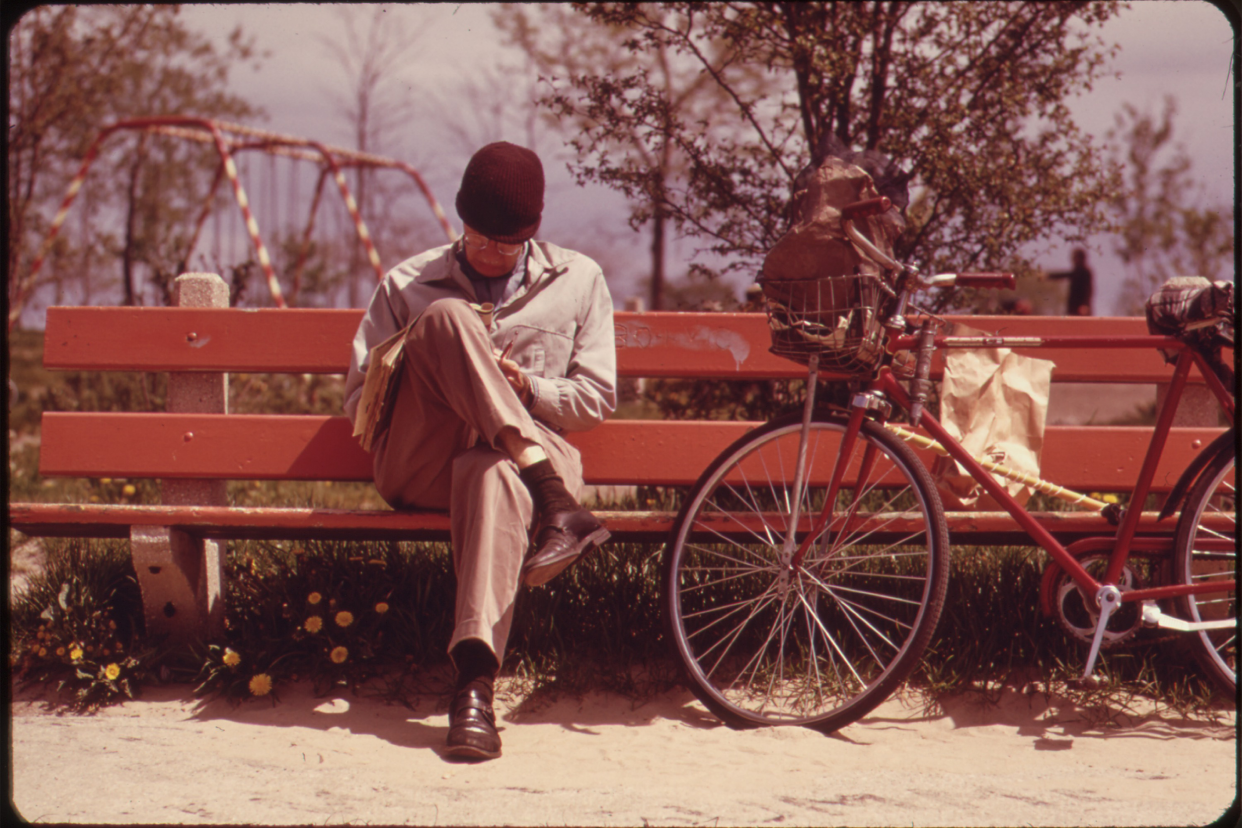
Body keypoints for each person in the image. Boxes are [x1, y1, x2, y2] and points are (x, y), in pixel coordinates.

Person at [343, 142, 617, 761]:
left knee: (492, 471)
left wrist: (525, 385)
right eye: (479, 238)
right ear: (458, 219)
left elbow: (596, 401)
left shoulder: (579, 280)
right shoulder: (407, 283)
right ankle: (555, 498)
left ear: (532, 233)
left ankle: (473, 685)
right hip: (425, 460)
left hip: (510, 473)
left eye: (507, 244)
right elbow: (359, 402)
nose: (492, 252)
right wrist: (428, 370)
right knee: (444, 320)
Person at [1045, 248, 1094, 316]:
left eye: (1076, 257)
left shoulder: (1085, 272)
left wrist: (1085, 304)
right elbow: (1065, 274)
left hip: (1082, 308)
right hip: (1073, 307)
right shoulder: (1076, 272)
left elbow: (1088, 290)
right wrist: (1048, 276)